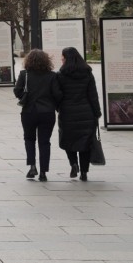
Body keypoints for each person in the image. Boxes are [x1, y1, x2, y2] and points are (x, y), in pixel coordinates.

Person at [14, 49, 62, 182]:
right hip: (47, 112)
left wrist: (24, 97)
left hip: (29, 111)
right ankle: (43, 172)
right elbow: (57, 94)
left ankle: (32, 166)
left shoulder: (24, 74)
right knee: (45, 142)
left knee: (29, 139)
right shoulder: (52, 75)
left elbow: (17, 90)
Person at [56, 47, 102, 181]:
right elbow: (93, 95)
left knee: (68, 140)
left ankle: (73, 163)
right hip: (86, 114)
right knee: (85, 144)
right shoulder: (87, 73)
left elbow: (58, 95)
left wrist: (59, 108)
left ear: (66, 58)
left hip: (67, 114)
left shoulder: (61, 75)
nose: (61, 59)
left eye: (63, 57)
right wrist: (97, 112)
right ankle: (84, 172)